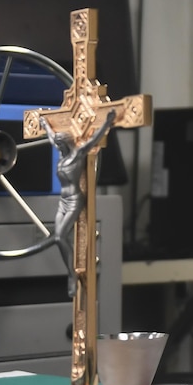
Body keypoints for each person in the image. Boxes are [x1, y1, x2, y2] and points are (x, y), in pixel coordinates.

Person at [44, 109, 116, 298]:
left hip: (75, 200)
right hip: (62, 201)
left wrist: (108, 122)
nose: (58, 147)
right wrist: (44, 124)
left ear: (67, 142)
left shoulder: (78, 154)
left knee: (60, 237)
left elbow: (94, 140)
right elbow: (51, 137)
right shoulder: (61, 156)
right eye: (57, 145)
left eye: (61, 144)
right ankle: (71, 271)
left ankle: (71, 275)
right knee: (58, 239)